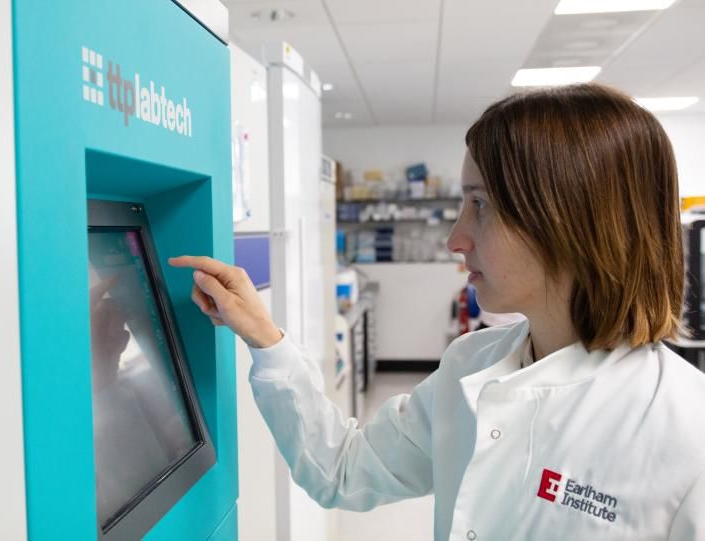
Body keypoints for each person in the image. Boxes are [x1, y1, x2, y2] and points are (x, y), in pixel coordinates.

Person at [169, 84, 705, 540]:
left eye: (482, 205)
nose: (455, 238)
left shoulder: (687, 432)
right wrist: (267, 339)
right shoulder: (471, 365)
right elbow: (343, 469)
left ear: (572, 221)